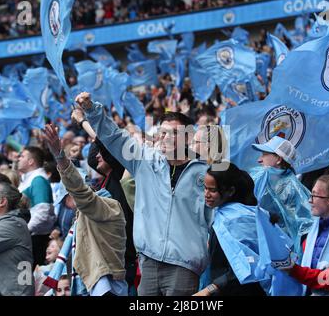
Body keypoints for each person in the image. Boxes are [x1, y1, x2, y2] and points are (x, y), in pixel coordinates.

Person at [76, 91, 211, 296]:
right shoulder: (144, 161)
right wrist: (91, 110)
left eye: (172, 134)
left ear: (188, 137)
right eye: (162, 133)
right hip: (148, 261)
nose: (165, 138)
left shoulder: (205, 174)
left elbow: (213, 218)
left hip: (185, 264)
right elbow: (114, 137)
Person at [42, 123, 127, 296]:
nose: (65, 205)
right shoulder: (85, 213)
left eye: (67, 198)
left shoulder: (109, 206)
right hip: (94, 284)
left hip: (107, 288)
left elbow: (81, 192)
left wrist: (60, 156)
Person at [194, 162, 266, 296]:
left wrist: (208, 290)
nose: (206, 194)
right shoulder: (223, 215)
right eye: (205, 188)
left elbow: (246, 265)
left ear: (230, 191)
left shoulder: (238, 220)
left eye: (213, 190)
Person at [249, 135, 313, 257]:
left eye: (264, 154)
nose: (259, 160)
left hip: (281, 251)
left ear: (278, 159)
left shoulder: (291, 187)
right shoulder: (265, 181)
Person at [17, 146, 56, 267]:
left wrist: (25, 231)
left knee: (25, 278)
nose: (19, 159)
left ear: (31, 161)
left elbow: (42, 211)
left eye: (22, 156)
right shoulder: (29, 179)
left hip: (35, 240)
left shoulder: (38, 180)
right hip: (29, 238)